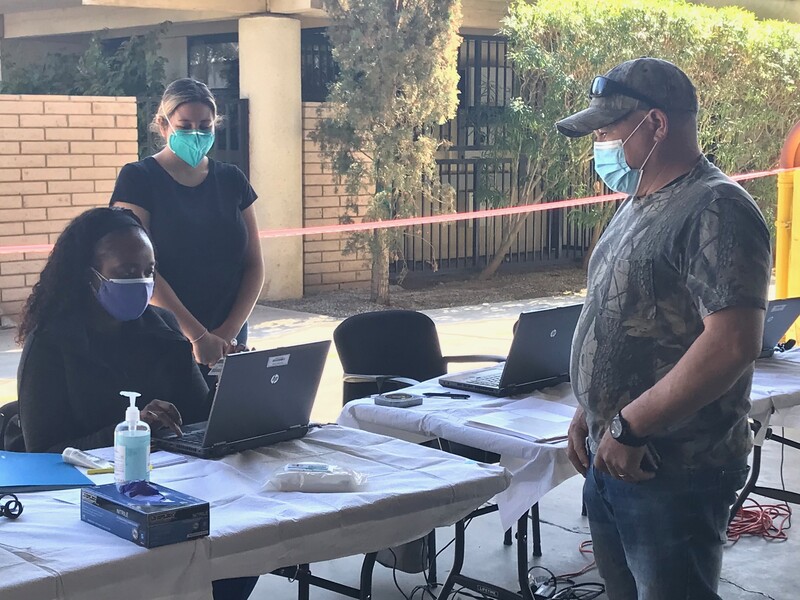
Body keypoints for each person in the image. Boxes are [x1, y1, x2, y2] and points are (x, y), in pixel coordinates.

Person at [556, 58, 771, 599]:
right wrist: (593, 408)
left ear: (656, 124)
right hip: (617, 455)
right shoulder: (639, 203)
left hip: (671, 469)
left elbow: (731, 343)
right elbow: (627, 317)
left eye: (609, 131)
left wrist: (631, 425)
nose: (600, 144)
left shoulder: (717, 208)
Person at [16, 207, 258, 600]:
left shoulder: (160, 327)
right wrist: (129, 431)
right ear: (87, 275)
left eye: (149, 271)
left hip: (176, 493)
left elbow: (198, 420)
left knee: (243, 549)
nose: (142, 282)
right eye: (128, 272)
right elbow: (43, 453)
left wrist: (234, 386)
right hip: (92, 510)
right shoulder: (53, 345)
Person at [111, 78, 265, 371]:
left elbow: (254, 265)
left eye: (205, 126)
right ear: (163, 124)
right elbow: (140, 272)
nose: (196, 134)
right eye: (184, 126)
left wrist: (225, 333)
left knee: (231, 415)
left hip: (228, 335)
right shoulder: (138, 179)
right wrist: (197, 335)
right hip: (162, 332)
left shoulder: (233, 180)